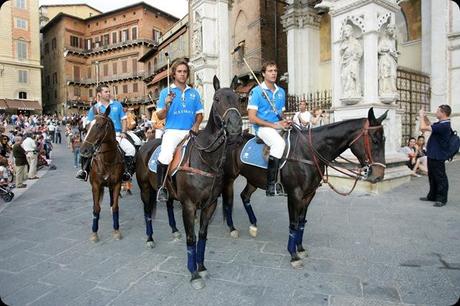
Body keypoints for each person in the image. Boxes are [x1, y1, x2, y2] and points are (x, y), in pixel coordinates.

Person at [155, 58, 204, 202]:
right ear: (174, 74)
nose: (182, 74)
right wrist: (166, 105)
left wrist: (196, 125)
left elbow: (200, 114)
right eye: (179, 72)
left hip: (191, 131)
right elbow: (160, 115)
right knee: (165, 156)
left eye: (185, 72)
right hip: (173, 131)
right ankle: (161, 187)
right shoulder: (166, 92)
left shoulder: (194, 92)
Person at [75, 84, 136, 182]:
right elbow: (90, 124)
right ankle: (84, 171)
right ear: (99, 94)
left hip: (116, 134)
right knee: (86, 149)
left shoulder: (117, 105)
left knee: (131, 149)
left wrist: (124, 132)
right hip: (100, 137)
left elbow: (123, 120)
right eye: (106, 92)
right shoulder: (94, 108)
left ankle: (126, 172)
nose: (108, 93)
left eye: (109, 91)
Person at [247, 60, 289, 196]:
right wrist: (273, 125)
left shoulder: (281, 91)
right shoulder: (256, 92)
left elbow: (281, 114)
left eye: (275, 70)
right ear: (264, 74)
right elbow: (252, 118)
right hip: (263, 128)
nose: (273, 73)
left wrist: (286, 121)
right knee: (279, 143)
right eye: (270, 71)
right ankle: (271, 185)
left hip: (277, 125)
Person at [419, 105, 452, 207]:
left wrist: (420, 116)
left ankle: (442, 199)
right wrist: (424, 117)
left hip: (438, 155)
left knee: (440, 177)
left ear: (443, 113)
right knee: (432, 176)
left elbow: (423, 127)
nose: (436, 113)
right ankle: (432, 195)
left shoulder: (444, 125)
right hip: (433, 154)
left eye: (438, 111)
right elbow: (429, 124)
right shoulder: (441, 124)